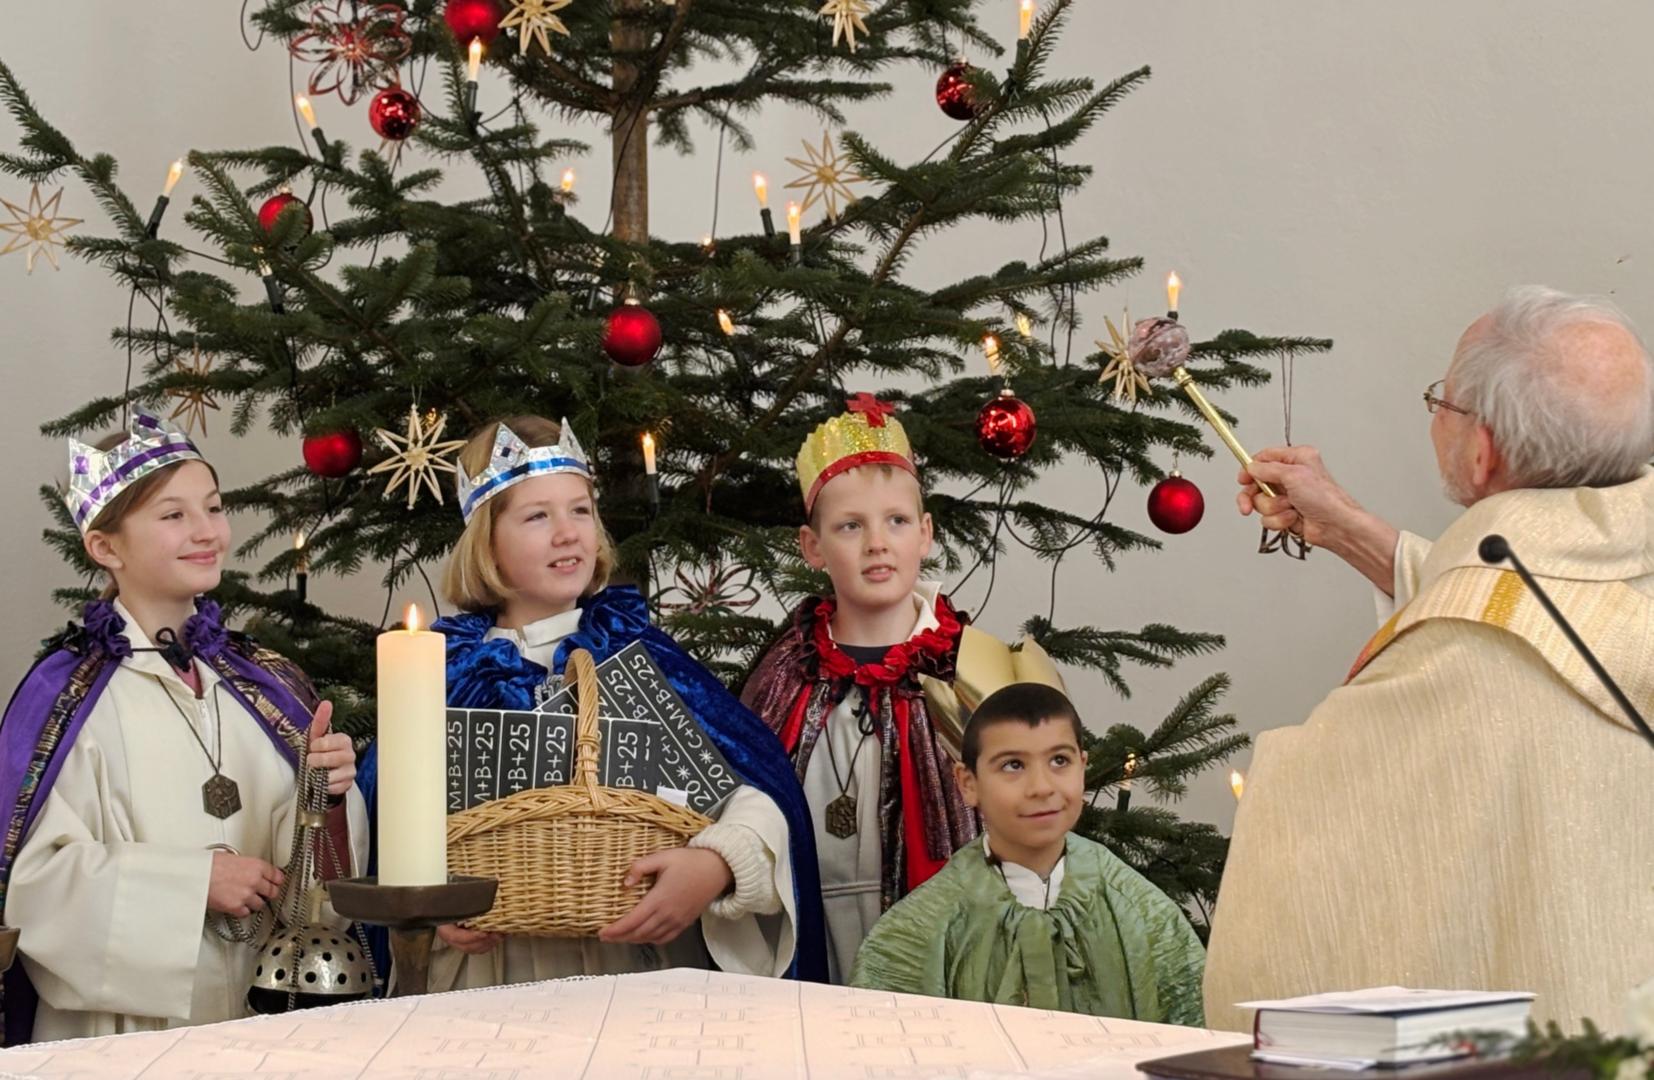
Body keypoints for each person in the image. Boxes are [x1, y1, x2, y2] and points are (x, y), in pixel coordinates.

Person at [1205, 286, 1654, 1033]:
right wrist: (1351, 530)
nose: (1436, 418)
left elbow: (1307, 891)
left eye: (1441, 402)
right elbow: (1533, 594)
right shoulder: (1619, 557)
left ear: (1482, 453)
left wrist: (1284, 776)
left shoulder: (1457, 661)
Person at [361, 416, 825, 989]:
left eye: (580, 509)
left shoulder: (636, 654)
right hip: (489, 981)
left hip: (638, 970)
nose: (568, 533)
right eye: (537, 516)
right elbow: (392, 820)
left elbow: (754, 790)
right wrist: (428, 906)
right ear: (487, 544)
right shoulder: (443, 673)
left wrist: (716, 865)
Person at [0, 413, 366, 1043]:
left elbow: (319, 897)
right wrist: (192, 884)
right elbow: (32, 891)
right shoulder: (66, 697)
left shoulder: (264, 683)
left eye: (214, 507)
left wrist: (325, 797)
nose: (207, 532)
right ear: (105, 547)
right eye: (173, 515)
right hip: (124, 1033)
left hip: (265, 1019)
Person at [741, 395, 1059, 983]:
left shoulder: (971, 668)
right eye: (849, 527)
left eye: (896, 521)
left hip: (935, 942)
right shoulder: (785, 671)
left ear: (926, 534)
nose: (876, 543)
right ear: (813, 548)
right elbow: (745, 794)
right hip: (808, 931)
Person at [849, 683, 1207, 1022]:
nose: (1041, 787)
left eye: (1059, 761)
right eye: (1013, 765)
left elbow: (1195, 1035)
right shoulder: (918, 930)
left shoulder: (1146, 914)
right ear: (968, 783)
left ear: (1083, 767)